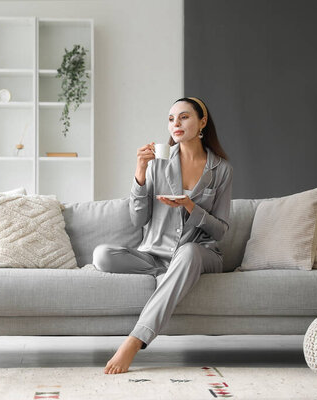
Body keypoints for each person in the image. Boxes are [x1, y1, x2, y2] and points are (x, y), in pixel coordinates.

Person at [93, 97, 233, 374]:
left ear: (202, 122)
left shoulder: (221, 170)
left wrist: (191, 206)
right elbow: (138, 220)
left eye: (183, 117)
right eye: (171, 119)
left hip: (200, 254)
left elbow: (221, 231)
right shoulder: (158, 163)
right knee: (102, 255)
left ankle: (135, 340)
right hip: (156, 256)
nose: (175, 124)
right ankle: (172, 276)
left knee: (188, 252)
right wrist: (140, 174)